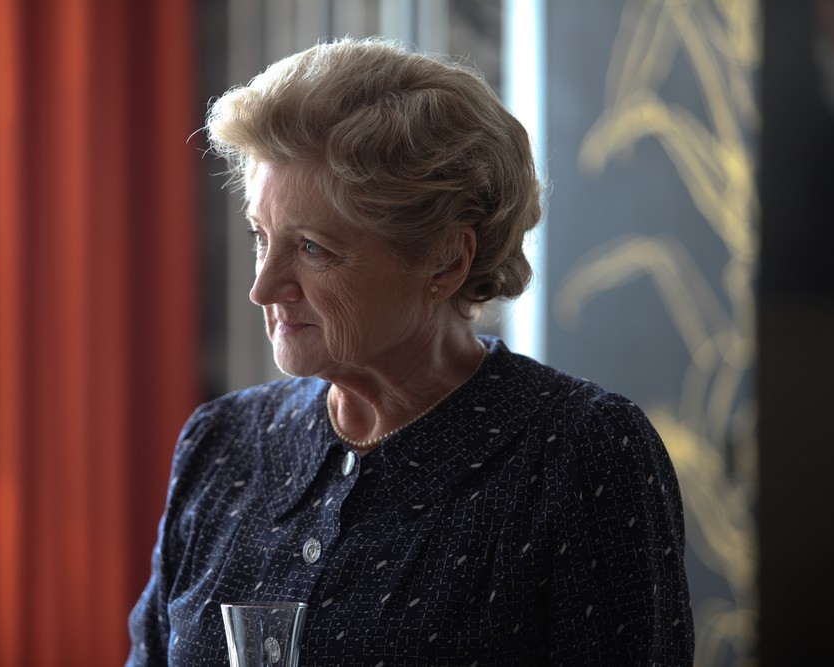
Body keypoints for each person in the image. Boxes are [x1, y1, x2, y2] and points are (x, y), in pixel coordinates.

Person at [127, 37, 694, 665]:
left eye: (313, 248)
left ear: (446, 261)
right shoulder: (222, 442)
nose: (264, 287)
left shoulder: (579, 453)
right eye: (262, 237)